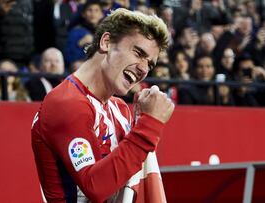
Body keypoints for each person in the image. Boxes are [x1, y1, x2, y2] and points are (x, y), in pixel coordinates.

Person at [31, 8, 174, 203]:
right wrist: (149, 126)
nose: (143, 69)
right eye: (138, 53)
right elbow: (96, 187)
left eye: (150, 64)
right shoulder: (65, 103)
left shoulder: (120, 109)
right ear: (106, 42)